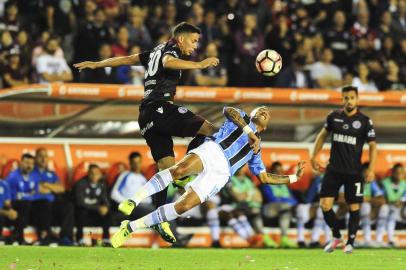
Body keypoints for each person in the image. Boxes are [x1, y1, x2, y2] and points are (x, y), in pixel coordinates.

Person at [74, 22, 220, 242]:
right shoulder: (170, 50)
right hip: (161, 107)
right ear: (181, 39)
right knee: (210, 130)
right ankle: (187, 171)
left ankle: (160, 220)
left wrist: (97, 64)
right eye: (194, 40)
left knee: (166, 169)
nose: (195, 45)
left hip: (145, 116)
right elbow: (168, 62)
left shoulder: (154, 50)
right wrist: (199, 65)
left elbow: (127, 59)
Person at [110, 106, 306, 248]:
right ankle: (133, 200)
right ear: (252, 114)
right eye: (260, 109)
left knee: (183, 206)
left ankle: (131, 227)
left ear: (266, 126)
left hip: (222, 174)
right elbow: (228, 110)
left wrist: (294, 177)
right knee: (179, 170)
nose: (264, 111)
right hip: (213, 149)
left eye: (268, 113)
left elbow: (264, 177)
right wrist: (248, 132)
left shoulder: (256, 150)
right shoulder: (242, 118)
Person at [310, 85, 377, 254]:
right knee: (325, 205)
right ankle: (336, 236)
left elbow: (373, 146)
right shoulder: (333, 117)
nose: (349, 101)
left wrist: (371, 168)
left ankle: (350, 243)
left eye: (352, 98)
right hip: (333, 169)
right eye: (346, 98)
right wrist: (313, 156)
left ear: (357, 99)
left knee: (354, 207)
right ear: (342, 99)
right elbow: (322, 136)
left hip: (354, 172)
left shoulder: (365, 121)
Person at [33, 147, 74, 245]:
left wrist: (46, 184)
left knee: (68, 206)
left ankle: (65, 237)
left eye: (45, 156)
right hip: (37, 203)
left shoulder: (51, 173)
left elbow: (60, 189)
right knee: (45, 204)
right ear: (35, 158)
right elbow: (37, 188)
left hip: (52, 203)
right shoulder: (32, 172)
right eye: (40, 156)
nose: (43, 159)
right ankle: (45, 236)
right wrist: (51, 188)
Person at [72, 164, 111, 246]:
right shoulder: (80, 184)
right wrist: (97, 208)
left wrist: (106, 207)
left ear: (100, 174)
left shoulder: (102, 184)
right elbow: (80, 202)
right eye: (92, 173)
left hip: (96, 213)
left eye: (96, 173)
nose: (94, 176)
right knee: (81, 212)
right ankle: (79, 239)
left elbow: (105, 199)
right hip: (85, 211)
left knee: (107, 213)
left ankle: (106, 239)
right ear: (88, 174)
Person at [376, 163, 406, 247]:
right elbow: (380, 195)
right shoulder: (384, 182)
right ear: (392, 172)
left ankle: (390, 239)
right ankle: (379, 239)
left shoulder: (404, 184)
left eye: (401, 173)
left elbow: (404, 196)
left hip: (398, 207)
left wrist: (401, 201)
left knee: (392, 219)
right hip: (385, 205)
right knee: (384, 213)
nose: (399, 175)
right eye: (397, 172)